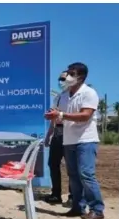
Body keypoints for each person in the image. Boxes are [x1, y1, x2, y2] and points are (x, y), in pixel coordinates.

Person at [44, 62, 105, 219]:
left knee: (86, 174)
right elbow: (59, 115)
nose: (68, 76)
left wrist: (61, 115)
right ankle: (77, 207)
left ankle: (97, 209)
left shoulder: (89, 93)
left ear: (81, 77)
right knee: (73, 175)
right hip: (68, 140)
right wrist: (53, 116)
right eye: (68, 73)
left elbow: (85, 115)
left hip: (86, 139)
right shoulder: (63, 96)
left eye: (72, 73)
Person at [44, 71, 73, 207]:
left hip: (72, 131)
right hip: (58, 132)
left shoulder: (76, 96)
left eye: (63, 78)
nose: (61, 81)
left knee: (72, 166)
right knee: (53, 164)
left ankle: (73, 196)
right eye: (59, 78)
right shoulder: (59, 97)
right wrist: (49, 135)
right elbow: (53, 118)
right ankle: (56, 194)